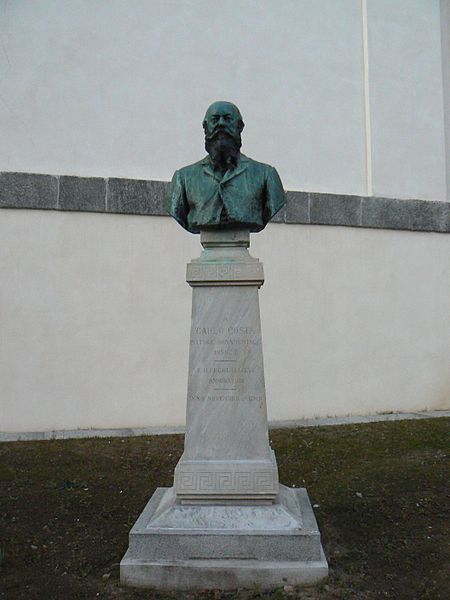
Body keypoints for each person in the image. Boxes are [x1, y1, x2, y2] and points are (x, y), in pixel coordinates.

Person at [166, 101, 286, 233]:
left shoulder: (266, 175)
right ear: (205, 127)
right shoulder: (183, 178)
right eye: (215, 119)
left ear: (239, 127)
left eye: (227, 119)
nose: (221, 124)